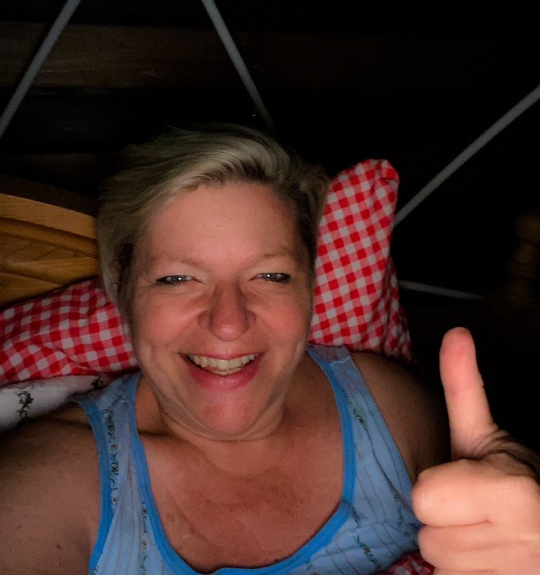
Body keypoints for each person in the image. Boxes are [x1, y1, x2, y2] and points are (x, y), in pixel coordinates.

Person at [0, 122, 539, 575]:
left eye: (271, 275)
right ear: (122, 285)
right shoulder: (46, 483)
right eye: (178, 279)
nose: (228, 323)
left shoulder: (389, 409)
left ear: (310, 285)